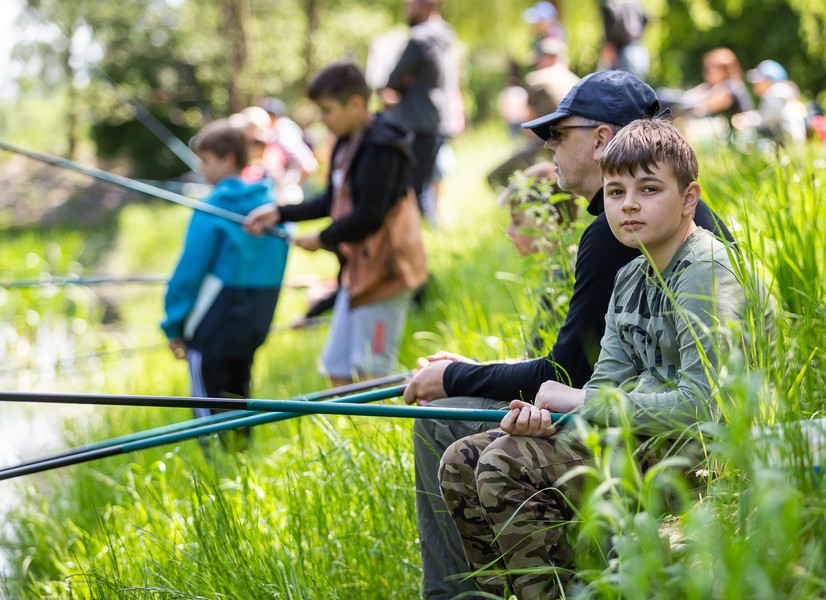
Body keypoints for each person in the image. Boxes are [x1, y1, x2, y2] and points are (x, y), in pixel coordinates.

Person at [404, 70, 734, 599]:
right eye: (616, 192)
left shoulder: (692, 263)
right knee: (464, 459)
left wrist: (474, 380)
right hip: (630, 423)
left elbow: (697, 403)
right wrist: (547, 415)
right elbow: (597, 379)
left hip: (685, 444)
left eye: (558, 134)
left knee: (487, 453)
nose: (629, 204)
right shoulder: (632, 266)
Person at [244, 61, 427, 387]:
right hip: (357, 273)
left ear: (355, 104)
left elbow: (370, 215)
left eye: (327, 110)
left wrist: (323, 238)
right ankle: (353, 423)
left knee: (373, 373)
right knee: (336, 368)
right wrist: (279, 213)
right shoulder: (345, 141)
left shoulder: (383, 147)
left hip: (386, 272)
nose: (323, 119)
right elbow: (331, 199)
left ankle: (390, 416)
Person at [161, 120, 288, 445]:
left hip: (212, 325)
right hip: (256, 320)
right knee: (240, 395)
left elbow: (189, 271)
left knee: (208, 409)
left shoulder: (213, 208)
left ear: (228, 159)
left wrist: (173, 325)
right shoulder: (270, 206)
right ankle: (242, 456)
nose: (201, 168)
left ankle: (215, 464)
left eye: (206, 160)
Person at [381, 0, 457, 224]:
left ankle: (412, 235)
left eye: (410, 4)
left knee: (409, 190)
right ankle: (429, 230)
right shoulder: (445, 36)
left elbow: (392, 83)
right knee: (428, 184)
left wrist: (403, 83)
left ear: (424, 5)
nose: (405, 9)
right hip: (437, 120)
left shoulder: (420, 38)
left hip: (414, 122)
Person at [500, 162, 578, 356]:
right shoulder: (559, 267)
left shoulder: (566, 273)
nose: (508, 231)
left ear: (544, 221)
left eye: (516, 221)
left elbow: (534, 355)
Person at [487, 39, 580, 188]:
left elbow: (529, 120)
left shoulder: (537, 79)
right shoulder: (577, 81)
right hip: (578, 145)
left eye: (538, 60)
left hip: (545, 142)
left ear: (548, 58)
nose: (536, 65)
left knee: (494, 178)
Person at [732, 59, 808, 145]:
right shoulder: (783, 94)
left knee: (748, 131)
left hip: (788, 143)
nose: (754, 84)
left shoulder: (775, 94)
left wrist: (747, 120)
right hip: (793, 141)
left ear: (768, 80)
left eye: (758, 80)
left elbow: (765, 121)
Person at [598, 0, 649, 80]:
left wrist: (610, 43)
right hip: (639, 51)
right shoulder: (636, 3)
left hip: (623, 53)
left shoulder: (612, 4)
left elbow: (613, 18)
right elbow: (646, 19)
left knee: (614, 84)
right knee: (636, 84)